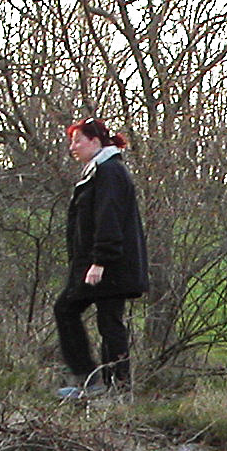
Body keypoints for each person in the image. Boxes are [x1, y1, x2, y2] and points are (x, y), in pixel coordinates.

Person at [54, 119, 148, 397]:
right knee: (96, 318)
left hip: (109, 267)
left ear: (96, 142)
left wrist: (100, 262)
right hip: (98, 265)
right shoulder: (98, 171)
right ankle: (101, 383)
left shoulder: (109, 172)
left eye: (78, 140)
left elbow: (109, 219)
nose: (73, 147)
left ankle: (110, 386)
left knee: (99, 320)